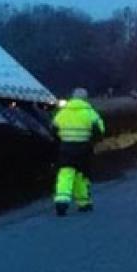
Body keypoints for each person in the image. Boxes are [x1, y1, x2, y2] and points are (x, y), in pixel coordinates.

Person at [51, 87, 105, 216]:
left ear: (72, 97)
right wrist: (93, 142)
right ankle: (84, 203)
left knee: (65, 174)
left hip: (66, 148)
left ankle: (61, 201)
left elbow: (53, 129)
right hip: (83, 148)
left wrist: (61, 141)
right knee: (81, 175)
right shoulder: (90, 112)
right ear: (85, 98)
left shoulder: (62, 112)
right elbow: (100, 131)